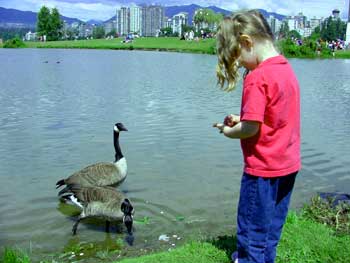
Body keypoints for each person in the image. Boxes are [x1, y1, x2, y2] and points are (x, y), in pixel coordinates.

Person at [213, 10, 301, 263]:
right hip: (287, 166)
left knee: (251, 228)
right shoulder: (285, 69)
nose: (239, 64)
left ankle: (249, 260)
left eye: (238, 57)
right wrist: (244, 118)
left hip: (262, 170)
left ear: (247, 42)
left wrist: (229, 131)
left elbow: (251, 130)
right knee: (271, 227)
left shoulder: (257, 77)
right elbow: (276, 117)